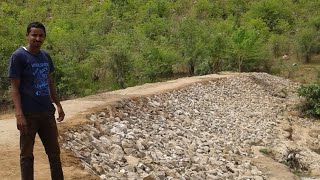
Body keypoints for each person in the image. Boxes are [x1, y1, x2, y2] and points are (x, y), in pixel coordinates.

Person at [8, 22, 65, 180]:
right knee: (26, 155)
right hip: (28, 115)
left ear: (44, 38)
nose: (37, 38)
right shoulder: (18, 56)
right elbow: (14, 88)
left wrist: (58, 105)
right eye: (34, 35)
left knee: (54, 154)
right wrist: (19, 114)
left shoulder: (46, 56)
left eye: (41, 35)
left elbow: (50, 82)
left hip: (47, 112)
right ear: (27, 36)